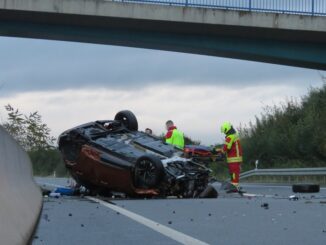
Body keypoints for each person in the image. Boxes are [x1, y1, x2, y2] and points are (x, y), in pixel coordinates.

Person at [220, 121, 243, 192]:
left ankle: (234, 187)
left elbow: (226, 147)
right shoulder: (235, 135)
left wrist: (220, 152)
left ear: (226, 130)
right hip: (237, 158)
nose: (224, 133)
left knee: (234, 173)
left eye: (224, 131)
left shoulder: (230, 137)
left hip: (233, 159)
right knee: (234, 173)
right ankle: (234, 186)